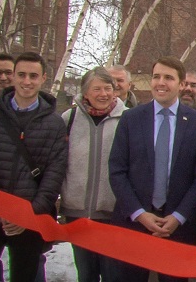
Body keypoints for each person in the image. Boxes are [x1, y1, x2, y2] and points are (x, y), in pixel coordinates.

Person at [108, 56, 196, 282]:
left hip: (179, 230)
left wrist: (178, 216)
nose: (160, 83)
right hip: (133, 226)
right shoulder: (130, 118)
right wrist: (139, 214)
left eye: (168, 78)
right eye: (156, 77)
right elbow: (117, 171)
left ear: (181, 83)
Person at [0, 52, 68, 281]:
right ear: (13, 77)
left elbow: (54, 174)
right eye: (21, 75)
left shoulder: (55, 124)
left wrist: (28, 214)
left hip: (30, 218)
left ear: (43, 79)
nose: (27, 81)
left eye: (33, 76)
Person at [60, 67, 127, 281]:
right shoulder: (68, 118)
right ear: (85, 92)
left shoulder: (127, 119)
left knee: (112, 274)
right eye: (96, 89)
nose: (103, 94)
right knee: (86, 274)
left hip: (113, 214)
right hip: (78, 213)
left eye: (108, 88)